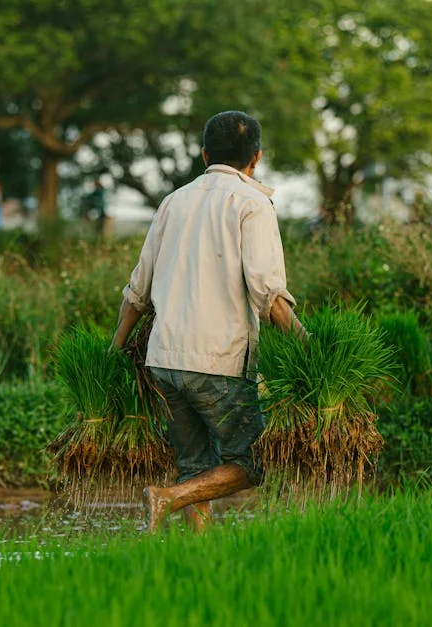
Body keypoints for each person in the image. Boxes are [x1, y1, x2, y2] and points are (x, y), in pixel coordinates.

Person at [109, 110, 307, 532]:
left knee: (195, 464)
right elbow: (268, 295)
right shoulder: (252, 203)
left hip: (162, 360)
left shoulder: (172, 202)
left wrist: (114, 351)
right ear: (256, 157)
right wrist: (313, 349)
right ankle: (167, 497)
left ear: (204, 154)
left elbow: (136, 294)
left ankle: (200, 554)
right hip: (219, 360)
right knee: (254, 464)